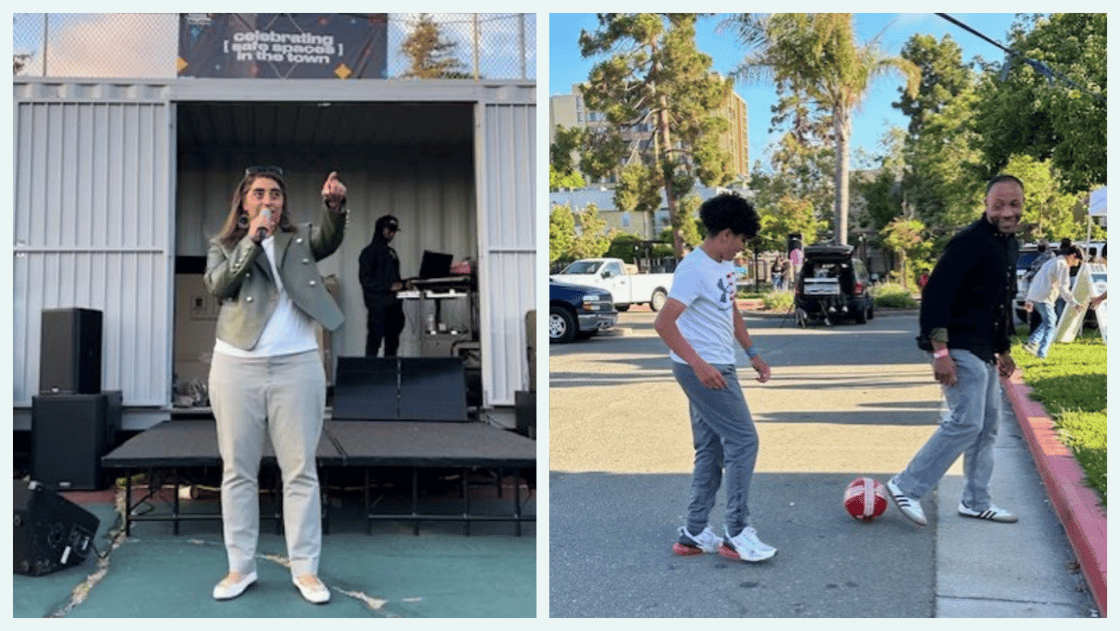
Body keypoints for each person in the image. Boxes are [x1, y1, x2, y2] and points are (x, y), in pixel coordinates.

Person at [204, 167, 348, 604]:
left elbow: (331, 237)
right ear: (244, 201)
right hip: (236, 365)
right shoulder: (224, 245)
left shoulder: (300, 238)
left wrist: (335, 205)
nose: (268, 199)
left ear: (284, 202)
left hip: (297, 363)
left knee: (300, 470)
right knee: (237, 471)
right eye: (259, 192)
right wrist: (253, 239)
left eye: (276, 194)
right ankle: (240, 568)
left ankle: (305, 570)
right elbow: (219, 286)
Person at [887, 174, 1023, 527]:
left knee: (988, 426)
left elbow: (999, 302)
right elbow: (936, 296)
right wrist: (940, 352)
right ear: (986, 206)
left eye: (1014, 205)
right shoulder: (968, 243)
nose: (1007, 212)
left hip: (984, 349)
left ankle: (976, 501)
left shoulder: (1008, 245)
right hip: (958, 346)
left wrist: (1004, 348)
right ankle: (906, 485)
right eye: (999, 205)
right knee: (967, 421)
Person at [653, 193, 776, 563]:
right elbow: (663, 323)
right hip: (705, 370)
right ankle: (736, 534)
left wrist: (752, 353)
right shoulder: (693, 269)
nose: (741, 249)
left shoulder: (721, 267)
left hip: (719, 364)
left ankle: (693, 533)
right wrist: (701, 367)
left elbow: (730, 308)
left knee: (712, 449)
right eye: (740, 241)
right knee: (744, 441)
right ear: (724, 234)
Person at [1023, 245, 1085, 359]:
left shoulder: (1052, 261)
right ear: (1073, 256)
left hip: (1038, 296)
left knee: (1049, 321)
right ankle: (1041, 352)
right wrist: (1074, 303)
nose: (1076, 265)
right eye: (1077, 261)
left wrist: (1029, 298)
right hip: (1045, 297)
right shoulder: (1063, 265)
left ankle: (1033, 341)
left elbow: (1036, 279)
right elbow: (1064, 288)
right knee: (1051, 325)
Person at [359, 215, 405, 356]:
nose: (392, 234)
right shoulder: (368, 253)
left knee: (392, 344)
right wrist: (388, 287)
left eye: (394, 230)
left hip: (394, 306)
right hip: (378, 306)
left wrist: (403, 285)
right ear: (381, 229)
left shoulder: (392, 253)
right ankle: (370, 375)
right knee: (374, 343)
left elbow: (395, 278)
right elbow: (366, 280)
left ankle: (390, 375)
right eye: (389, 229)